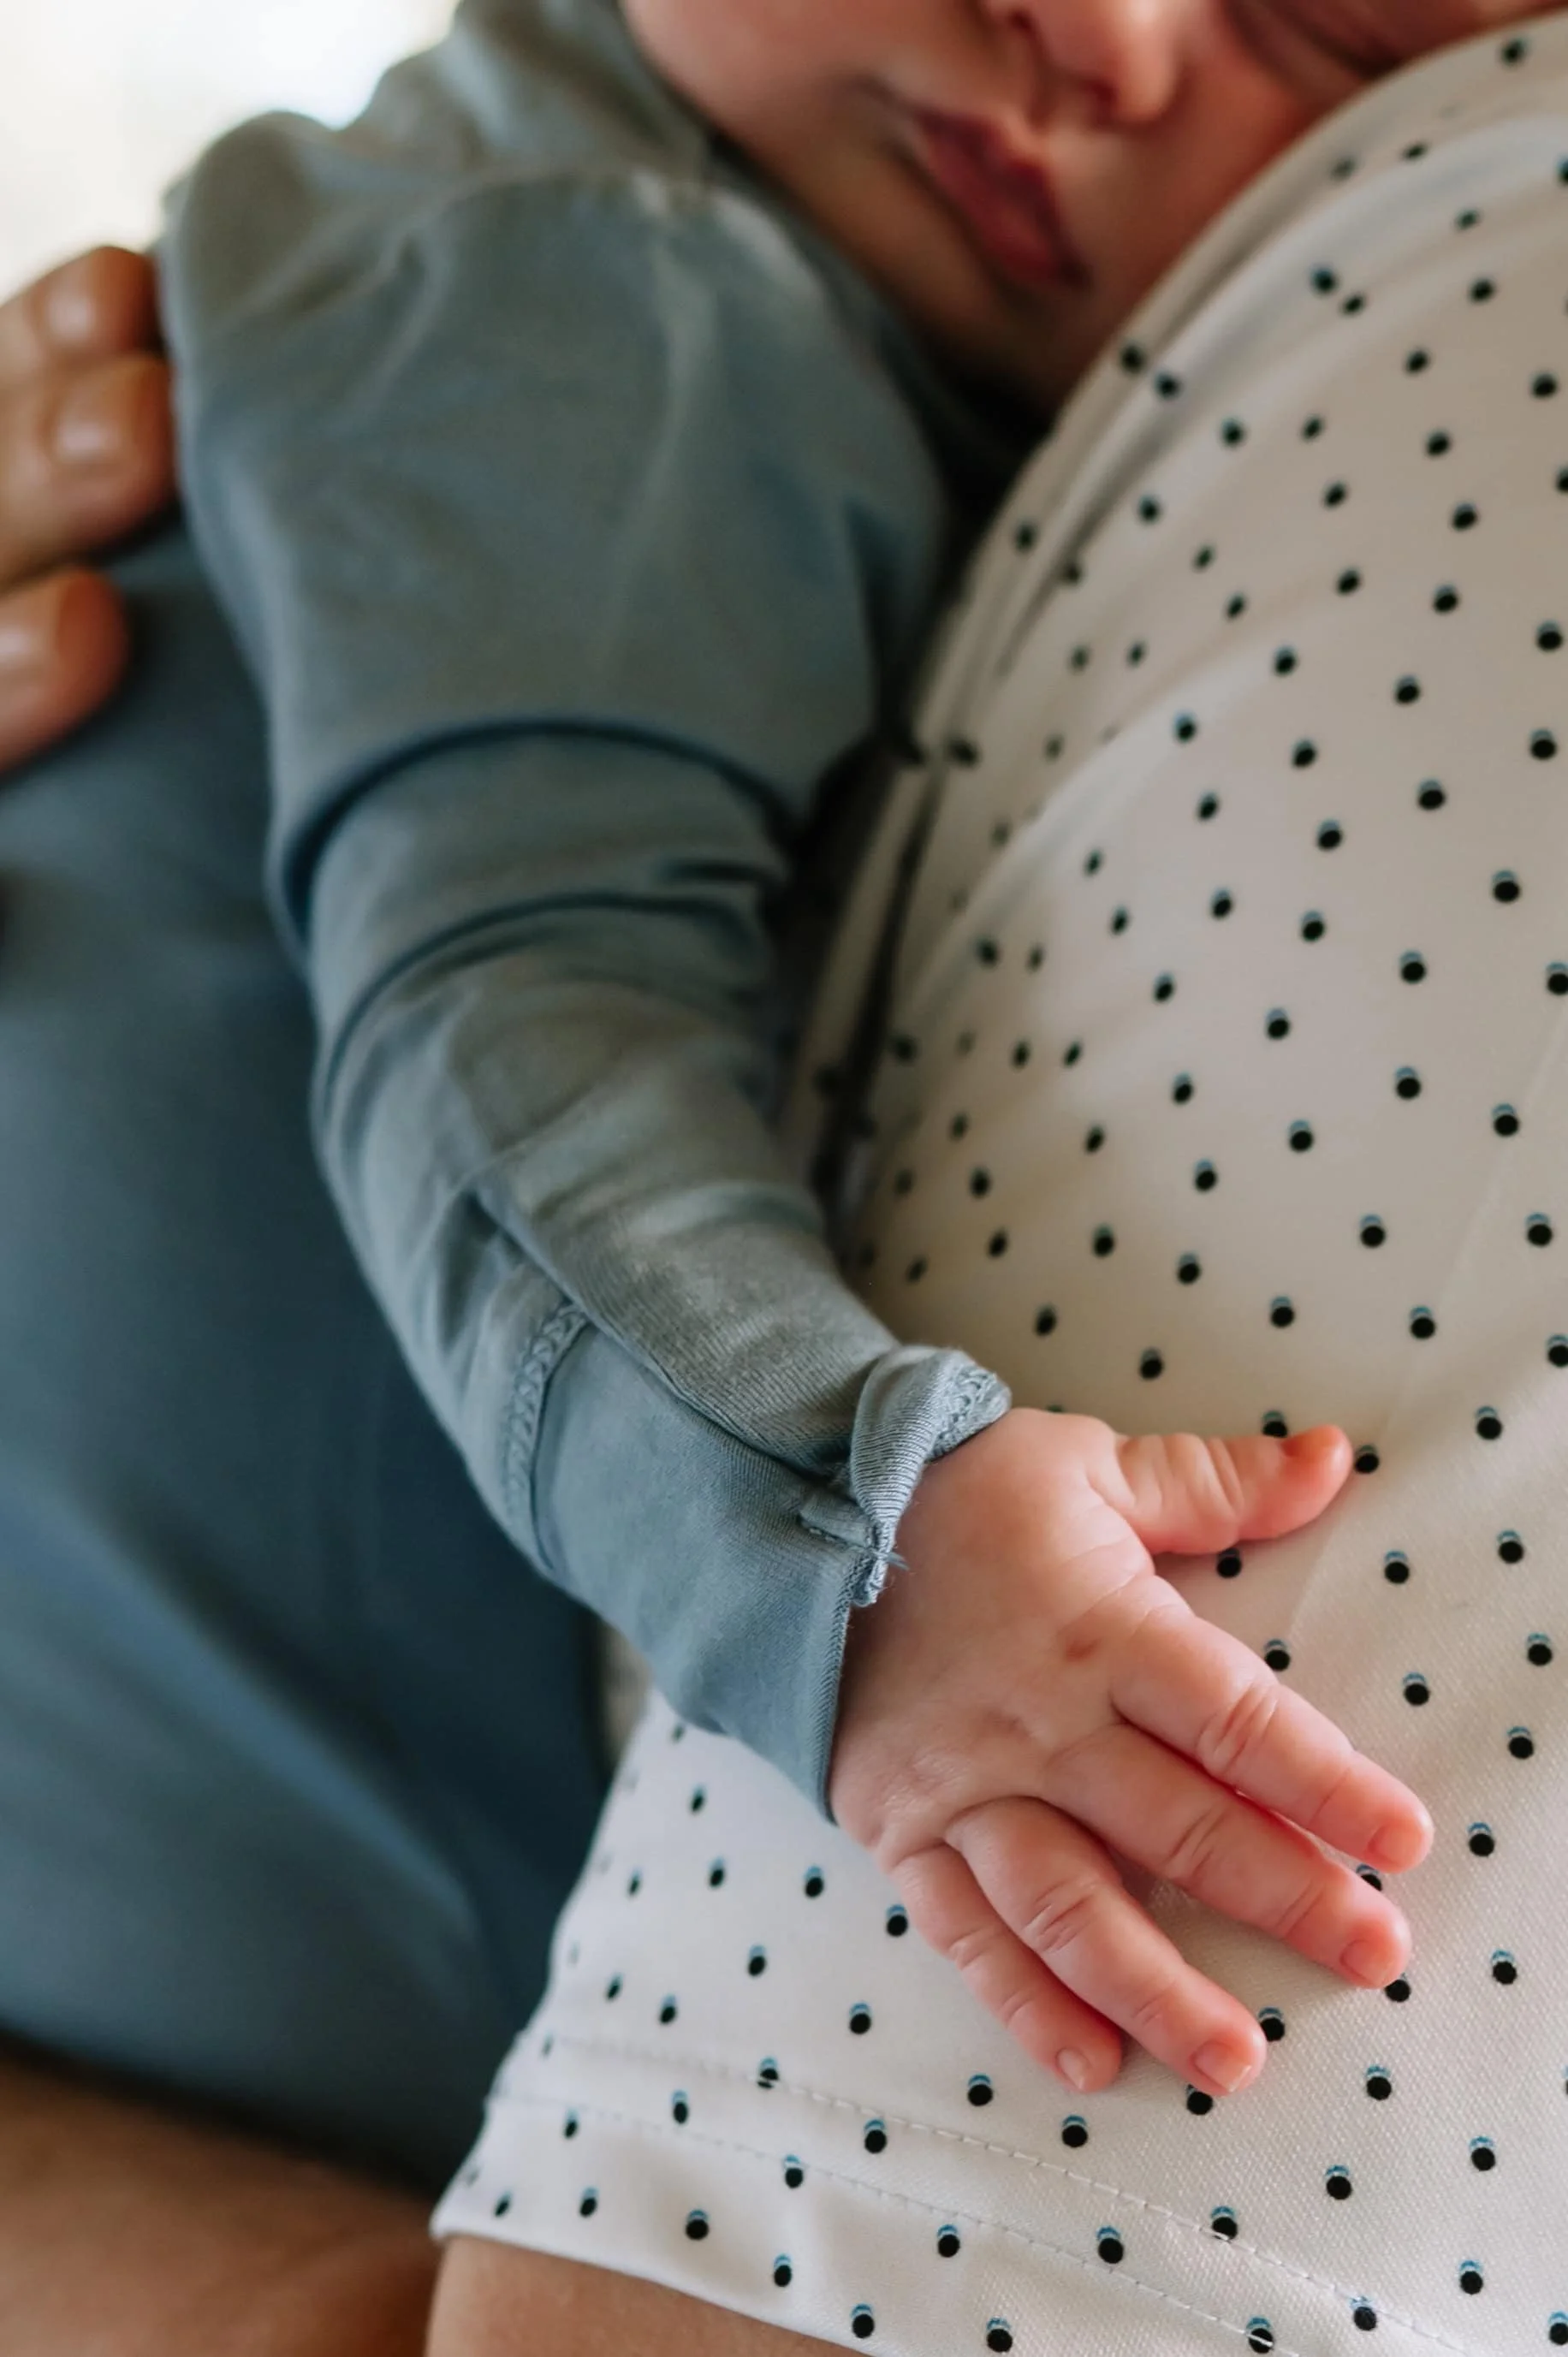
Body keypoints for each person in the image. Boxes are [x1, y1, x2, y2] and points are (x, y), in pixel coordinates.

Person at [0, 3, 1557, 2354]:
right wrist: (845, 1538)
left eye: (1314, 30)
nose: (1105, 38)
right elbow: (507, 1020)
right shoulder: (589, 274)